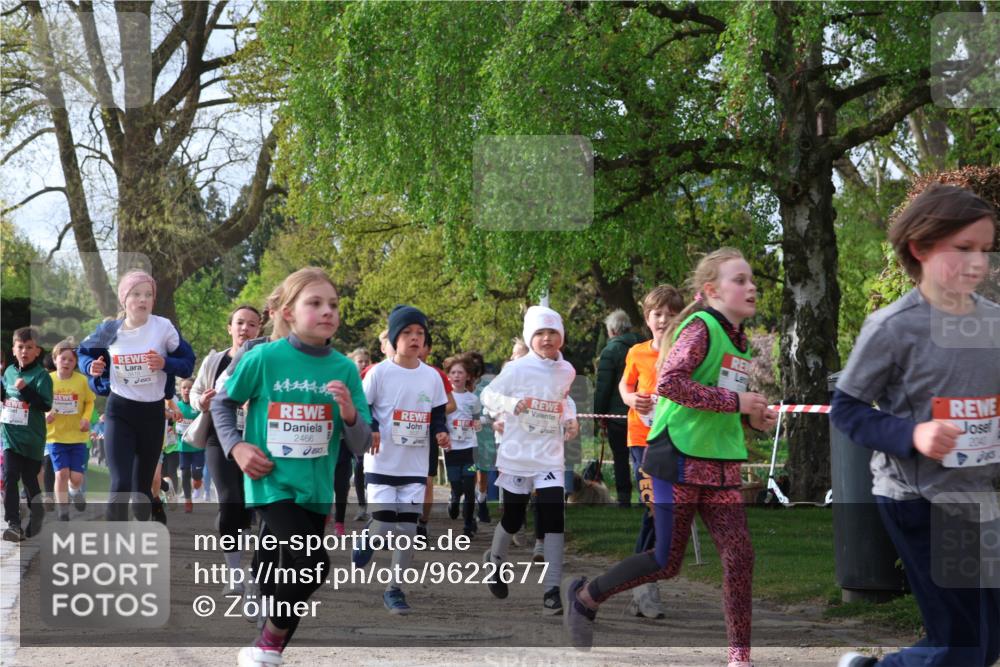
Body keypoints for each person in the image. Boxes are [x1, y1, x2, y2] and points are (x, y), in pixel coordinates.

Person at [563, 248, 778, 667]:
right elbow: (673, 386)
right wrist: (737, 401)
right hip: (676, 458)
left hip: (721, 464)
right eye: (740, 280)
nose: (751, 287)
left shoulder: (741, 340)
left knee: (740, 557)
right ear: (711, 290)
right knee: (665, 560)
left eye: (753, 280)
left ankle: (739, 657)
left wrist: (755, 417)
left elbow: (722, 401)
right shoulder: (699, 328)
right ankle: (586, 596)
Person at [832, 184, 1000, 667]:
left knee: (984, 644)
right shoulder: (892, 327)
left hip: (977, 498)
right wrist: (912, 435)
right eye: (963, 248)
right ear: (920, 248)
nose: (977, 262)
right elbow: (847, 409)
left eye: (985, 250)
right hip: (917, 500)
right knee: (964, 645)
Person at [212, 267, 371, 667]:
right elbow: (221, 402)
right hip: (270, 481)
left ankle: (266, 646)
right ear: (287, 312)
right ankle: (267, 643)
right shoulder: (264, 357)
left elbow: (362, 442)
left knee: (283, 574)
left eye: (333, 304)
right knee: (312, 564)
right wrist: (237, 447)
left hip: (315, 488)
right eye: (314, 303)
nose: (327, 311)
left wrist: (350, 414)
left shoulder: (345, 369)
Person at [481, 305, 578, 615]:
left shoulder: (567, 370)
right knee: (513, 517)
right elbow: (488, 396)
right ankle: (495, 562)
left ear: (561, 337)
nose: (547, 338)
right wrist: (512, 404)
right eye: (539, 333)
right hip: (518, 455)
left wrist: (571, 419)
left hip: (549, 455)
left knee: (553, 519)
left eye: (552, 332)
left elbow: (565, 399)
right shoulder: (517, 369)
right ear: (529, 337)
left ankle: (552, 589)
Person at [353, 305, 450, 615]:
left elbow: (437, 414)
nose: (414, 338)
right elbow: (363, 408)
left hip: (414, 464)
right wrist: (375, 429)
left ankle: (395, 589)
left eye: (420, 334)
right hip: (382, 461)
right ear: (394, 338)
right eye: (406, 333)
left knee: (407, 529)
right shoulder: (379, 372)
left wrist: (441, 433)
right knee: (383, 525)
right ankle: (369, 536)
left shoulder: (432, 376)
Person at [78, 270, 195, 521]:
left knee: (142, 488)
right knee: (120, 482)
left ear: (153, 300)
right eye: (136, 294)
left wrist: (164, 362)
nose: (142, 300)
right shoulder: (110, 330)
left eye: (148, 295)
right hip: (120, 411)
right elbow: (83, 353)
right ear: (124, 300)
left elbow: (188, 363)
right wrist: (91, 367)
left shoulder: (163, 327)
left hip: (152, 414)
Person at [618, 284, 684, 617]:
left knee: (665, 511)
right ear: (647, 318)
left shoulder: (684, 354)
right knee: (653, 508)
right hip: (640, 439)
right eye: (657, 314)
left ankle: (638, 581)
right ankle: (644, 585)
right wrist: (630, 399)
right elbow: (625, 384)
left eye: (670, 316)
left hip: (674, 441)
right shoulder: (637, 353)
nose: (663, 320)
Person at [190, 304, 262, 595]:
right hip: (218, 437)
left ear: (260, 330)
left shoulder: (262, 359)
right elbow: (195, 393)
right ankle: (234, 574)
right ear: (229, 328)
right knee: (230, 500)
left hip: (255, 437)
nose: (245, 329)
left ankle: (250, 561)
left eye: (252, 325)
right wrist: (202, 402)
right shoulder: (215, 361)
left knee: (248, 508)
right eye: (240, 323)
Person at [2, 327, 53, 541]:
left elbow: (45, 404)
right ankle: (14, 524)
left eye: (29, 347)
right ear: (13, 350)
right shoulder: (9, 372)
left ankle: (37, 512)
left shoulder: (41, 376)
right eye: (20, 347)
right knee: (9, 476)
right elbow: (5, 398)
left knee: (30, 480)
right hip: (10, 437)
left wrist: (26, 390)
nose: (24, 351)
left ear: (37, 351)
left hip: (32, 439)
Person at [594, 309, 646, 507]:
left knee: (620, 458)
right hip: (643, 411)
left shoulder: (610, 351)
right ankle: (645, 496)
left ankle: (624, 499)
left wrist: (598, 413)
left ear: (613, 330)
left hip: (618, 415)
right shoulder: (644, 344)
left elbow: (603, 387)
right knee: (642, 458)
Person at [45, 338, 96, 521]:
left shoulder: (82, 381)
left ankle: (75, 491)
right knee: (61, 473)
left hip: (77, 437)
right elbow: (40, 403)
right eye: (63, 358)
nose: (66, 362)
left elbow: (89, 402)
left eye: (71, 360)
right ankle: (63, 510)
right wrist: (46, 414)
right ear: (55, 359)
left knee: (76, 478)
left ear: (75, 363)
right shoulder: (47, 380)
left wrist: (85, 418)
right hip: (55, 436)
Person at [416, 332, 456, 538]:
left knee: (426, 480)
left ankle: (422, 523)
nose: (417, 348)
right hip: (399, 435)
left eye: (423, 345)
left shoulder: (436, 374)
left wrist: (430, 416)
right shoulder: (392, 371)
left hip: (427, 434)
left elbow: (451, 404)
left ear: (428, 349)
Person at [443, 354, 482, 537]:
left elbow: (477, 419)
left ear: (467, 376)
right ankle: (453, 498)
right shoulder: (443, 398)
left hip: (469, 448)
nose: (457, 376)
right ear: (448, 376)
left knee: (469, 486)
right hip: (451, 448)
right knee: (457, 486)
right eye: (453, 372)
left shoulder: (472, 399)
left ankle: (468, 525)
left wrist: (478, 424)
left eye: (460, 372)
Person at [174, 377, 201, 513]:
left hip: (198, 447)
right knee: (185, 474)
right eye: (184, 387)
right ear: (180, 390)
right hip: (183, 447)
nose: (187, 390)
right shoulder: (177, 406)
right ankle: (188, 500)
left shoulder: (197, 405)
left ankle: (197, 480)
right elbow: (172, 421)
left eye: (190, 388)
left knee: (196, 475)